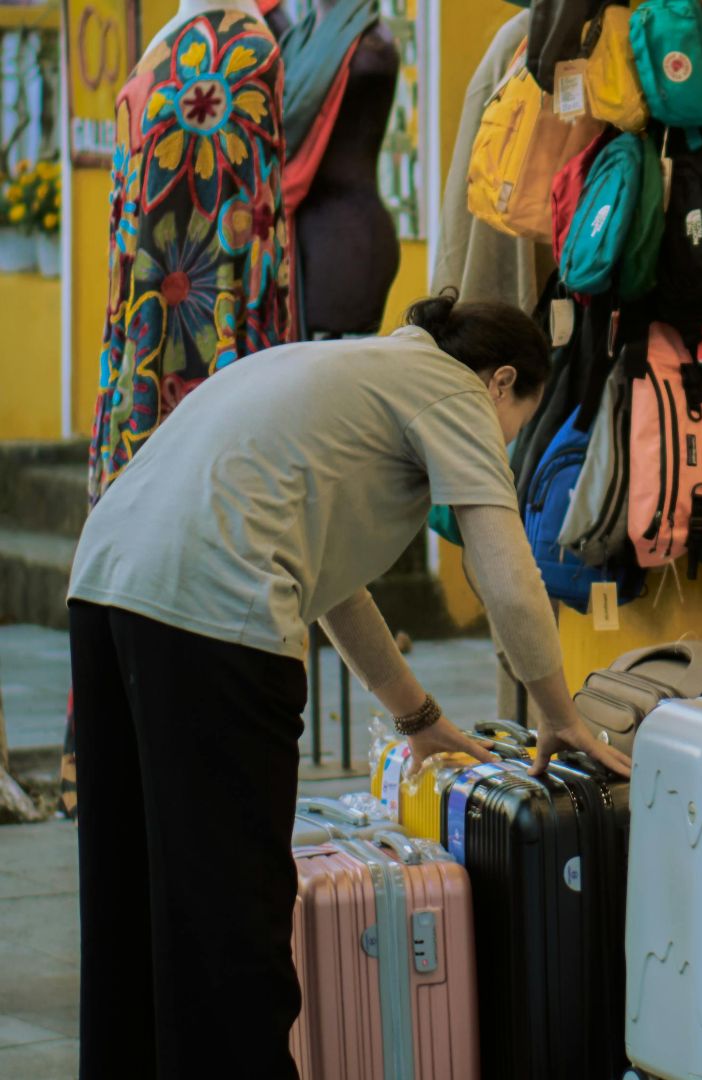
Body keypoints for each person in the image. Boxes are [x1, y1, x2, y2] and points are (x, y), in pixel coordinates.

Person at [65, 292, 630, 1078]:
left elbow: (334, 585)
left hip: (105, 587)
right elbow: (505, 573)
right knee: (233, 914)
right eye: (518, 425)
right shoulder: (453, 391)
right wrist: (559, 712)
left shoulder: (352, 367)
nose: (503, 444)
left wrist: (417, 715)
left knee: (134, 900)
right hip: (213, 615)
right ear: (502, 382)